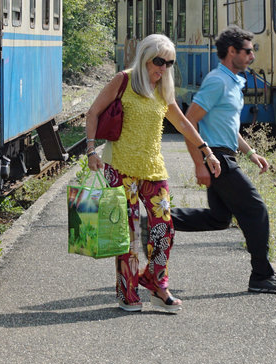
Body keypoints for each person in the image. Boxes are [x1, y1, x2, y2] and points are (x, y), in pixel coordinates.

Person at [85, 34, 220, 313]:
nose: (163, 68)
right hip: (120, 168)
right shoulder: (123, 81)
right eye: (158, 61)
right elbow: (93, 113)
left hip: (153, 169)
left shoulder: (163, 89)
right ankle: (127, 291)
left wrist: (206, 151)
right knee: (129, 233)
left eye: (169, 63)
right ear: (145, 57)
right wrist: (90, 151)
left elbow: (182, 124)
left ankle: (157, 284)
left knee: (164, 228)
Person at [170, 26, 276, 294]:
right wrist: (199, 163)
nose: (252, 57)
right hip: (216, 157)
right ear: (232, 52)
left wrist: (251, 153)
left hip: (223, 154)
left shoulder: (233, 82)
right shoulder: (218, 81)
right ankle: (262, 276)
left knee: (219, 218)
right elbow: (189, 122)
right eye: (248, 51)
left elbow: (229, 128)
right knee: (256, 210)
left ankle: (159, 220)